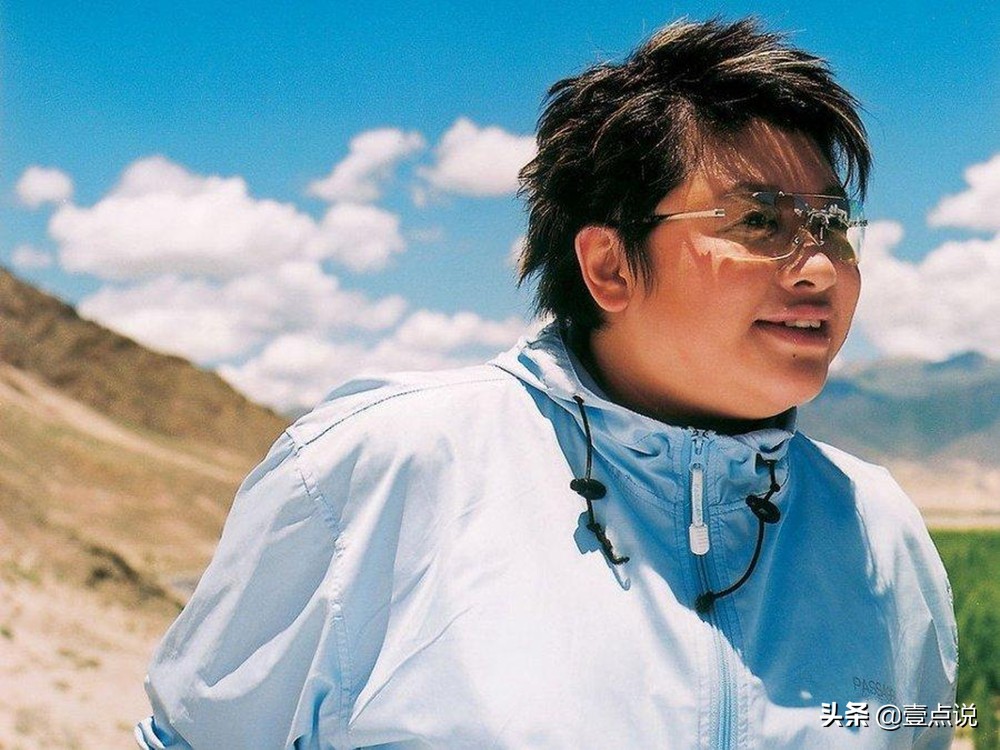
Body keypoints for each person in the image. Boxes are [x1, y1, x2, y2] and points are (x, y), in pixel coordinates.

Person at [136, 18, 957, 749]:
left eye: (833, 224)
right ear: (608, 265)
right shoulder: (376, 473)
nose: (819, 269)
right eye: (759, 221)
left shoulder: (878, 527)